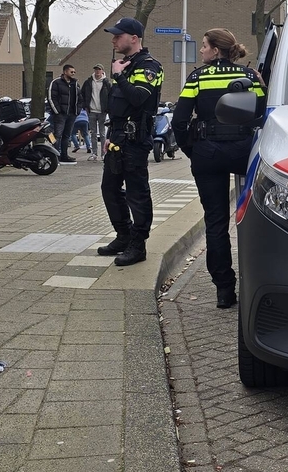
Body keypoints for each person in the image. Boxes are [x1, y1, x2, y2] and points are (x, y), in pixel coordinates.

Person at [172, 29, 266, 308]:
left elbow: (178, 121)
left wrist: (194, 151)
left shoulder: (197, 78)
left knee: (215, 222)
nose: (200, 51)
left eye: (203, 47)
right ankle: (259, 284)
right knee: (256, 219)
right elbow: (263, 111)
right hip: (243, 152)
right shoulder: (249, 78)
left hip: (208, 153)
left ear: (215, 50)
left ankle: (224, 290)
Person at [97, 17, 163, 267]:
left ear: (134, 38)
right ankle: (123, 235)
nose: (113, 40)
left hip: (136, 140)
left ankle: (139, 244)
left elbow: (137, 98)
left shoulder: (150, 66)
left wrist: (119, 76)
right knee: (109, 188)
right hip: (118, 137)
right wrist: (111, 135)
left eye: (118, 35)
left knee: (137, 193)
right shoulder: (124, 64)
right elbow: (117, 106)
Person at [48, 64, 79, 163]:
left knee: (67, 136)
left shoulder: (76, 84)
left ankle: (64, 156)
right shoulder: (56, 82)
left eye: (74, 72)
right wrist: (57, 111)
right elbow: (51, 97)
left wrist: (77, 111)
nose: (73, 74)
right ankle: (55, 156)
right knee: (57, 135)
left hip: (72, 114)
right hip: (60, 114)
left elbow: (80, 98)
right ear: (65, 72)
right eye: (71, 72)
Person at [80, 64, 110, 161]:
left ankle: (103, 153)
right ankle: (94, 153)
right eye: (96, 69)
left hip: (102, 111)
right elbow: (82, 94)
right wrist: (85, 106)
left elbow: (111, 95)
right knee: (93, 133)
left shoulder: (106, 83)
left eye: (99, 69)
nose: (97, 71)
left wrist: (108, 108)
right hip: (91, 110)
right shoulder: (88, 82)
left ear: (102, 71)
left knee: (102, 133)